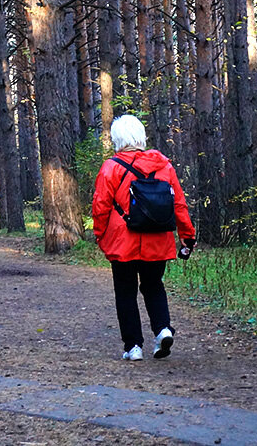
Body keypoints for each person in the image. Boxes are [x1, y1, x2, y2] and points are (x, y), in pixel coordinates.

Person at [93, 114, 196, 362]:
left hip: (122, 241)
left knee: (125, 292)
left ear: (117, 139)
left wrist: (100, 235)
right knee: (153, 286)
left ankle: (133, 347)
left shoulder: (112, 167)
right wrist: (187, 236)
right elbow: (178, 204)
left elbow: (100, 205)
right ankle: (162, 330)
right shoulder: (164, 166)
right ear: (141, 136)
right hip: (157, 240)